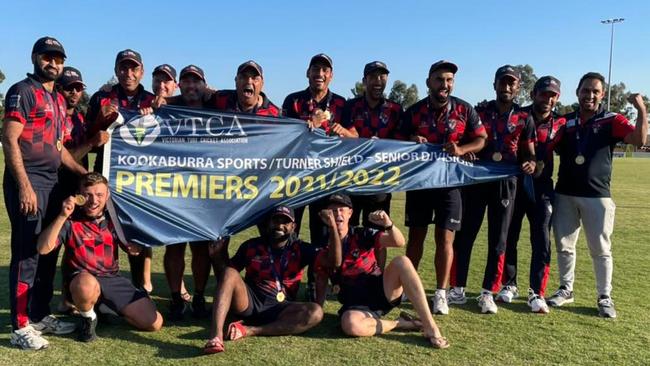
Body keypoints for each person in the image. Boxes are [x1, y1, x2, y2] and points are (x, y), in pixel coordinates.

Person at [3, 36, 86, 350]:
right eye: (47, 57)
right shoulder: (22, 91)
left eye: (58, 59)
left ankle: (38, 315)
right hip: (29, 181)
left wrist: (84, 175)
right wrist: (24, 185)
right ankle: (20, 327)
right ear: (35, 57)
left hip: (51, 181)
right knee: (26, 254)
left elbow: (59, 148)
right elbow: (10, 139)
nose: (53, 63)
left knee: (45, 252)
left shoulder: (58, 100)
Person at [547, 72, 647, 318]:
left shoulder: (612, 119)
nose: (589, 95)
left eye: (595, 91)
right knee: (564, 246)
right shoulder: (566, 122)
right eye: (585, 90)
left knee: (601, 249)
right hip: (565, 193)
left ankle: (604, 297)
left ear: (602, 94)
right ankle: (565, 289)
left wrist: (642, 110)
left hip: (597, 196)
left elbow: (638, 140)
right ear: (577, 92)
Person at [398, 60, 486, 314]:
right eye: (439, 79)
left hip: (451, 184)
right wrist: (412, 139)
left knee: (445, 239)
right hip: (421, 183)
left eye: (449, 80)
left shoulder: (464, 109)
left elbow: (481, 139)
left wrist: (462, 149)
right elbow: (395, 139)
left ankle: (440, 294)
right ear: (428, 83)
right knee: (416, 238)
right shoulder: (414, 111)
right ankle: (407, 287)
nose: (444, 84)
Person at [37, 173, 163, 342]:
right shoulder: (70, 219)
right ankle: (88, 319)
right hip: (82, 279)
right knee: (85, 285)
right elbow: (43, 249)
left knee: (154, 323)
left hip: (111, 279)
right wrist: (62, 215)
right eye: (87, 194)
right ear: (78, 195)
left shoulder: (115, 218)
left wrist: (135, 247)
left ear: (107, 195)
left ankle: (104, 308)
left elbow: (133, 247)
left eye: (99, 195)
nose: (94, 200)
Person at [450, 65, 536, 314]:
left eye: (512, 83)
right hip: (477, 181)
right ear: (495, 84)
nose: (507, 87)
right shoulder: (478, 112)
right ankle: (457, 288)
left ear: (518, 87)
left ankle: (488, 292)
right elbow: (467, 141)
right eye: (503, 82)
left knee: (499, 240)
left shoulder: (523, 118)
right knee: (466, 234)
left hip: (506, 182)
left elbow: (529, 151)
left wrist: (529, 162)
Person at [316, 194, 448, 349]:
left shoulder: (361, 234)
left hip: (381, 291)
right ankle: (401, 324)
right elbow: (321, 278)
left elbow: (398, 242)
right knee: (350, 325)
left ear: (350, 213)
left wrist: (389, 225)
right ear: (326, 216)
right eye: (333, 211)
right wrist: (318, 310)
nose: (338, 214)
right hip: (355, 304)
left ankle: (430, 326)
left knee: (402, 262)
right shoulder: (323, 246)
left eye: (341, 210)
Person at [203, 206, 323, 354]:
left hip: (281, 308)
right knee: (229, 272)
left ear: (294, 227)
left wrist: (333, 228)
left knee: (316, 312)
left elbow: (333, 262)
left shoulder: (300, 248)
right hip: (250, 303)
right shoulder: (252, 245)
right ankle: (216, 336)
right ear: (268, 223)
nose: (279, 225)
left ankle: (250, 330)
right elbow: (225, 279)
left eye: (285, 222)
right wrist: (218, 257)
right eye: (276, 220)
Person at [86, 48, 155, 294]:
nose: (129, 73)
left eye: (133, 68)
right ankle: (102, 288)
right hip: (105, 177)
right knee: (101, 232)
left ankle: (140, 289)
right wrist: (99, 121)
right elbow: (85, 137)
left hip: (139, 181)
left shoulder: (151, 100)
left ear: (141, 71)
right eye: (123, 68)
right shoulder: (101, 98)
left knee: (137, 235)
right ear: (116, 70)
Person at [281, 53, 350, 300]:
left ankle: (315, 284)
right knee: (291, 232)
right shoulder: (293, 100)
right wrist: (311, 122)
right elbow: (284, 135)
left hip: (325, 179)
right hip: (296, 177)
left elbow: (355, 137)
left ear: (331, 75)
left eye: (324, 70)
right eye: (315, 69)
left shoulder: (343, 103)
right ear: (307, 73)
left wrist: (343, 131)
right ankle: (288, 281)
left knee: (322, 233)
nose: (319, 74)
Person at [503, 76, 566, 313]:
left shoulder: (562, 122)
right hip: (515, 185)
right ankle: (509, 284)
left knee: (541, 239)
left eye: (553, 95)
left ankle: (536, 291)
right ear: (533, 94)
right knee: (510, 235)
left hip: (542, 189)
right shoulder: (517, 117)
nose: (548, 99)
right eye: (544, 94)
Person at [160, 65, 216, 320]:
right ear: (180, 85)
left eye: (197, 82)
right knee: (175, 247)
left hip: (206, 187)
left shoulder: (216, 106)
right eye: (187, 82)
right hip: (174, 186)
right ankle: (175, 298)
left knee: (201, 248)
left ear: (204, 85)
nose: (192, 86)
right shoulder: (168, 108)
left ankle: (199, 296)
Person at [54, 66, 109, 314]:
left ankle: (70, 297)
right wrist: (91, 142)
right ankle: (60, 299)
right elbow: (62, 158)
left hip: (79, 189)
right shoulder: (55, 117)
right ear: (58, 88)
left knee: (73, 247)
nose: (74, 92)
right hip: (56, 186)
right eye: (69, 87)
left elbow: (90, 145)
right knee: (53, 244)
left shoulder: (78, 117)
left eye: (78, 88)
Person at [341, 61, 403, 269]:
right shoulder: (351, 106)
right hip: (350, 179)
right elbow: (349, 135)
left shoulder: (395, 109)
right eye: (373, 77)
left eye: (382, 77)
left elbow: (401, 143)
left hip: (379, 181)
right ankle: (342, 276)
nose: (378, 81)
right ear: (364, 80)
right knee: (346, 229)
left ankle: (377, 277)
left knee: (378, 231)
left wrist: (385, 146)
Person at [208, 60, 279, 116]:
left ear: (262, 84)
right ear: (236, 80)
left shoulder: (274, 114)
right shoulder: (221, 98)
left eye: (255, 78)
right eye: (244, 77)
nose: (249, 81)